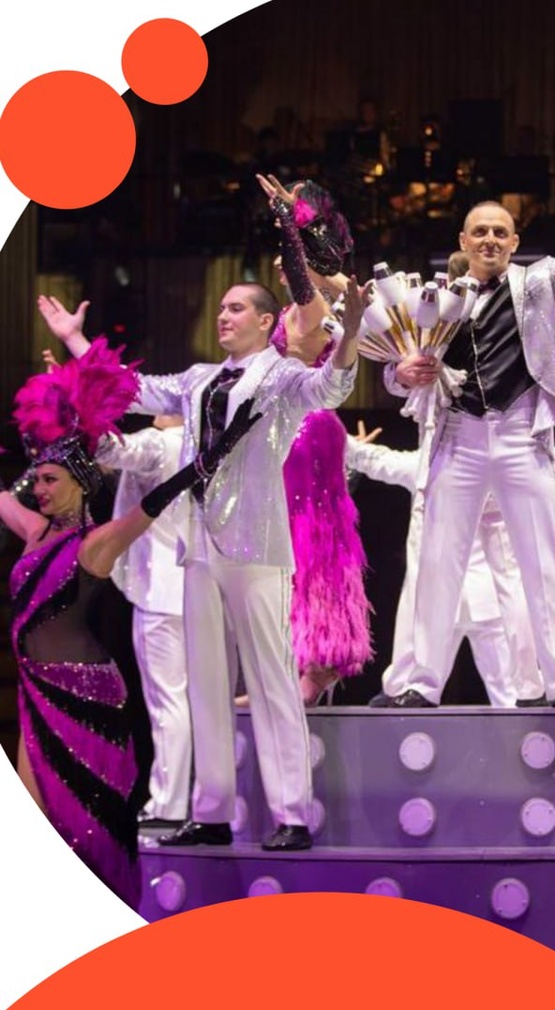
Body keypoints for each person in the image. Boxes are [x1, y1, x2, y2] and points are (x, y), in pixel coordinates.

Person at [39, 275, 363, 853]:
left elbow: (332, 388)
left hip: (256, 543)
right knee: (206, 682)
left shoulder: (281, 376)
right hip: (198, 544)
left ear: (266, 321)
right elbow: (131, 389)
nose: (224, 316)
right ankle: (211, 810)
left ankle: (291, 813)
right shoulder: (198, 379)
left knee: (271, 680)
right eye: (222, 307)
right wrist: (75, 341)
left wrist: (353, 328)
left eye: (236, 308)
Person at [0, 339, 261, 905]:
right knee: (32, 817)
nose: (39, 489)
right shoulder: (33, 530)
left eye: (50, 480)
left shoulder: (94, 544)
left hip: (84, 694)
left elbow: (153, 503)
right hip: (35, 690)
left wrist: (212, 455)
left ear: (80, 483)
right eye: (36, 479)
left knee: (82, 820)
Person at [378, 119, 555, 709]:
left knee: (541, 561)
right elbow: (397, 367)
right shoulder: (434, 297)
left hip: (520, 435)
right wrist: (399, 374)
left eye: (500, 232)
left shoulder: (539, 285)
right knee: (438, 562)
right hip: (457, 438)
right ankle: (422, 683)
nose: (489, 240)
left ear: (515, 243)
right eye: (480, 232)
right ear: (463, 242)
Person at [349, 421, 555, 706]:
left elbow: (369, 458)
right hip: (474, 604)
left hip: (477, 605)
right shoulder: (433, 466)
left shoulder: (435, 466)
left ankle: (402, 690)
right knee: (509, 696)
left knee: (509, 696)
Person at [258, 172, 372, 703]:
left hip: (306, 435)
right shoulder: (302, 308)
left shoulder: (315, 307)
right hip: (292, 433)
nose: (279, 263)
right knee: (291, 546)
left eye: (289, 257)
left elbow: (307, 277)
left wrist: (289, 220)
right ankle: (302, 659)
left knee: (309, 543)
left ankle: (319, 661)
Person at [95, 415, 192, 826]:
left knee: (167, 702)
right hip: (198, 589)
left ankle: (168, 805)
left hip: (161, 589)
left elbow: (110, 448)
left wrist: (82, 406)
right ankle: (197, 803)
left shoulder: (163, 442)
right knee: (192, 703)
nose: (153, 413)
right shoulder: (209, 442)